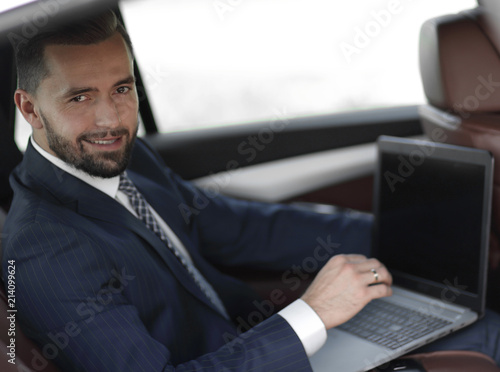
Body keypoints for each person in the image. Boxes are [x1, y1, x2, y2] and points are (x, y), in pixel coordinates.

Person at [1, 9, 498, 372]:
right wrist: (314, 313)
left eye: (122, 88)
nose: (110, 118)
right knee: (484, 341)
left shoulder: (128, 159)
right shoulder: (44, 248)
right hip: (244, 358)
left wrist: (405, 239)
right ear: (29, 109)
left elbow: (242, 227)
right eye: (80, 96)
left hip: (257, 342)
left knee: (473, 322)